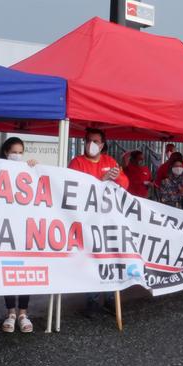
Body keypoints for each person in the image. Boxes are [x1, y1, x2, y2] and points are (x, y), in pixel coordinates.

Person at [69, 128, 128, 317]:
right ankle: (92, 301)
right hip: (87, 221)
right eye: (88, 140)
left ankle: (110, 298)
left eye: (95, 141)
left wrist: (116, 176)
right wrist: (99, 181)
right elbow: (72, 186)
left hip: (108, 220)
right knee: (92, 259)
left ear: (103, 144)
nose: (91, 144)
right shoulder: (77, 162)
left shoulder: (110, 161)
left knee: (110, 258)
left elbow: (124, 184)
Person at [0, 137, 37, 333]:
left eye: (21, 152)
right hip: (4, 229)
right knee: (8, 270)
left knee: (24, 272)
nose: (18, 155)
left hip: (24, 229)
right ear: (6, 152)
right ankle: (11, 313)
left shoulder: (25, 170)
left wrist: (33, 168)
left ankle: (23, 313)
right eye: (14, 151)